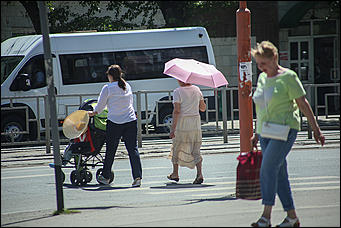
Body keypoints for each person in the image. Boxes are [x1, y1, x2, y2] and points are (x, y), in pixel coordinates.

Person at [250, 41, 325, 227]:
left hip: (285, 129)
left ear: (274, 58)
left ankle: (265, 217)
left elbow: (303, 104)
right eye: (258, 64)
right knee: (279, 173)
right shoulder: (262, 78)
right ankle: (292, 217)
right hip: (265, 131)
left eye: (263, 63)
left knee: (267, 169)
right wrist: (255, 134)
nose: (261, 68)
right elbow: (261, 108)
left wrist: (315, 129)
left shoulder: (288, 77)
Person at [88, 64, 142, 187]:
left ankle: (106, 177)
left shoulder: (107, 88)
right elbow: (130, 103)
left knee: (111, 150)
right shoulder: (127, 86)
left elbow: (99, 108)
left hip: (115, 122)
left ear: (110, 75)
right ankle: (137, 177)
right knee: (133, 150)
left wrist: (92, 113)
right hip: (130, 121)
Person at [167, 79, 206, 184]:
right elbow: (203, 108)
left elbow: (177, 111)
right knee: (195, 149)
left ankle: (175, 173)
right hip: (195, 123)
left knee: (177, 147)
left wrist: (173, 128)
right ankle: (199, 174)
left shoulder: (177, 91)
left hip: (182, 123)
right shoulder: (197, 89)